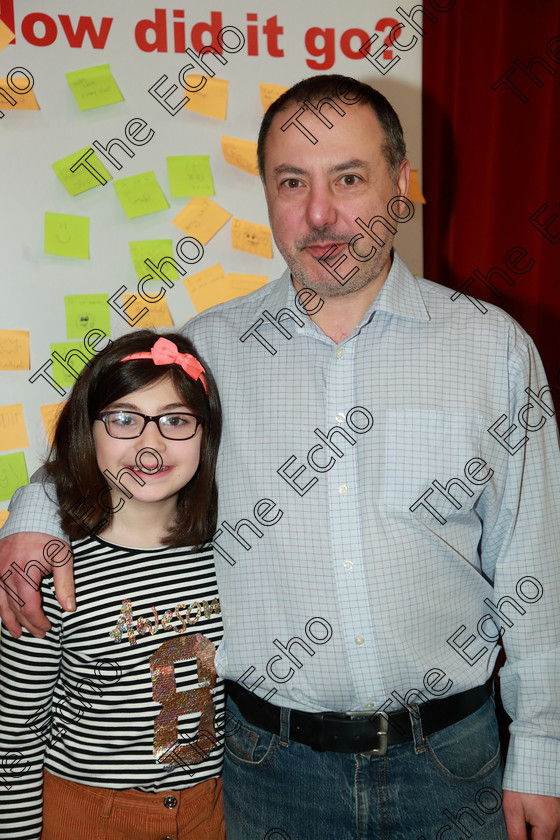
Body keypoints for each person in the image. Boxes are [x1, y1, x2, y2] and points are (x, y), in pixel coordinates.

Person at [1, 74, 559, 839]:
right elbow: (109, 447)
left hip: (453, 764)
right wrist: (30, 517)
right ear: (267, 195)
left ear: (402, 185)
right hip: (269, 775)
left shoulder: (492, 348)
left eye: (349, 178)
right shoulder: (209, 352)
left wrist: (543, 751)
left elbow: (539, 563)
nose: (321, 213)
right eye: (292, 182)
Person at [0, 330, 226, 839]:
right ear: (89, 430)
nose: (152, 444)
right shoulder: (49, 569)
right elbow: (16, 729)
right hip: (88, 811)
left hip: (210, 807)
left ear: (205, 434)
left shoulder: (232, 553)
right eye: (124, 419)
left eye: (176, 420)